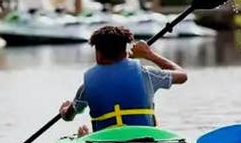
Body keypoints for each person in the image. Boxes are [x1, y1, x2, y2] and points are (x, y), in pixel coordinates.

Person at [59, 24, 187, 136]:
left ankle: (85, 139)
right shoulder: (146, 74)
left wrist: (63, 110)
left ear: (98, 53)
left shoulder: (86, 87)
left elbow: (69, 116)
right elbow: (182, 75)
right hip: (146, 141)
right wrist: (149, 55)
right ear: (125, 51)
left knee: (83, 134)